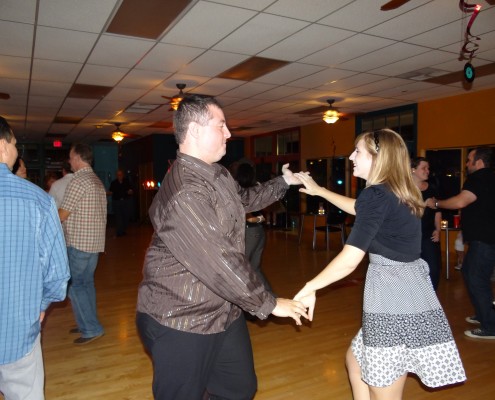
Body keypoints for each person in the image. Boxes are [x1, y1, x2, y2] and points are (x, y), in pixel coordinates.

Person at [136, 95, 308, 400]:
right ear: (195, 131)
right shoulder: (186, 191)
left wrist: (283, 182)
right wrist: (268, 303)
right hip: (181, 317)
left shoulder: (215, 174)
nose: (229, 133)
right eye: (221, 125)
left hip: (221, 310)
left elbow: (244, 199)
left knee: (239, 387)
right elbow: (219, 261)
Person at [293, 129, 465, 399]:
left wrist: (310, 286)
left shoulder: (377, 195)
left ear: (378, 158)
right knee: (357, 361)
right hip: (407, 290)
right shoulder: (396, 191)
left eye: (357, 152)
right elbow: (361, 209)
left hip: (392, 296)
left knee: (383, 385)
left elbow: (350, 260)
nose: (351, 156)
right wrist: (320, 191)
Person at [0, 116, 70, 399]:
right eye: (15, 144)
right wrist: (41, 305)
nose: (17, 151)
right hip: (17, 330)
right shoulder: (37, 199)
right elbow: (57, 273)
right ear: (3, 147)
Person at [426, 147, 495, 339]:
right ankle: (485, 315)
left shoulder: (479, 178)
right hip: (484, 239)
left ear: (479, 162)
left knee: (476, 278)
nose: (466, 163)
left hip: (485, 240)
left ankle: (490, 326)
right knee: (470, 273)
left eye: (469, 160)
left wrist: (437, 204)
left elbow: (460, 202)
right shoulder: (489, 177)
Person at [59, 143, 107, 345]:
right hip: (94, 244)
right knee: (86, 284)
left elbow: (62, 214)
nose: (69, 161)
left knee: (73, 286)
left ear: (78, 157)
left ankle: (90, 328)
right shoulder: (96, 180)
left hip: (79, 244)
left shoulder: (78, 181)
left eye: (70, 157)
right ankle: (87, 322)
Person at [234, 162, 273, 294]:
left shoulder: (237, 190)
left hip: (249, 231)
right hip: (259, 231)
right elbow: (264, 212)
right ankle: (271, 299)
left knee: (243, 268)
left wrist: (254, 218)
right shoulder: (257, 188)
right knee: (254, 268)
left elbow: (248, 216)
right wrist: (259, 218)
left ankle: (248, 300)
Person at [411, 157, 442, 290]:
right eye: (424, 168)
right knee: (412, 271)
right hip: (409, 236)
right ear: (413, 170)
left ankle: (431, 300)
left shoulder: (432, 188)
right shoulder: (405, 190)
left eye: (428, 168)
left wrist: (438, 229)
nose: (427, 171)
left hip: (428, 234)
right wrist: (424, 204)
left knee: (433, 269)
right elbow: (407, 214)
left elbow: (437, 211)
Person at [108, 169, 133, 237]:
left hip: (126, 202)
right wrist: (105, 193)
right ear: (116, 175)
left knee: (126, 216)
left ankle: (123, 230)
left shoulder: (126, 181)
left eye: (121, 174)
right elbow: (111, 192)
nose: (119, 176)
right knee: (118, 217)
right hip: (116, 202)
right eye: (118, 175)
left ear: (123, 175)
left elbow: (131, 190)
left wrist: (130, 192)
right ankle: (119, 232)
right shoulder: (113, 183)